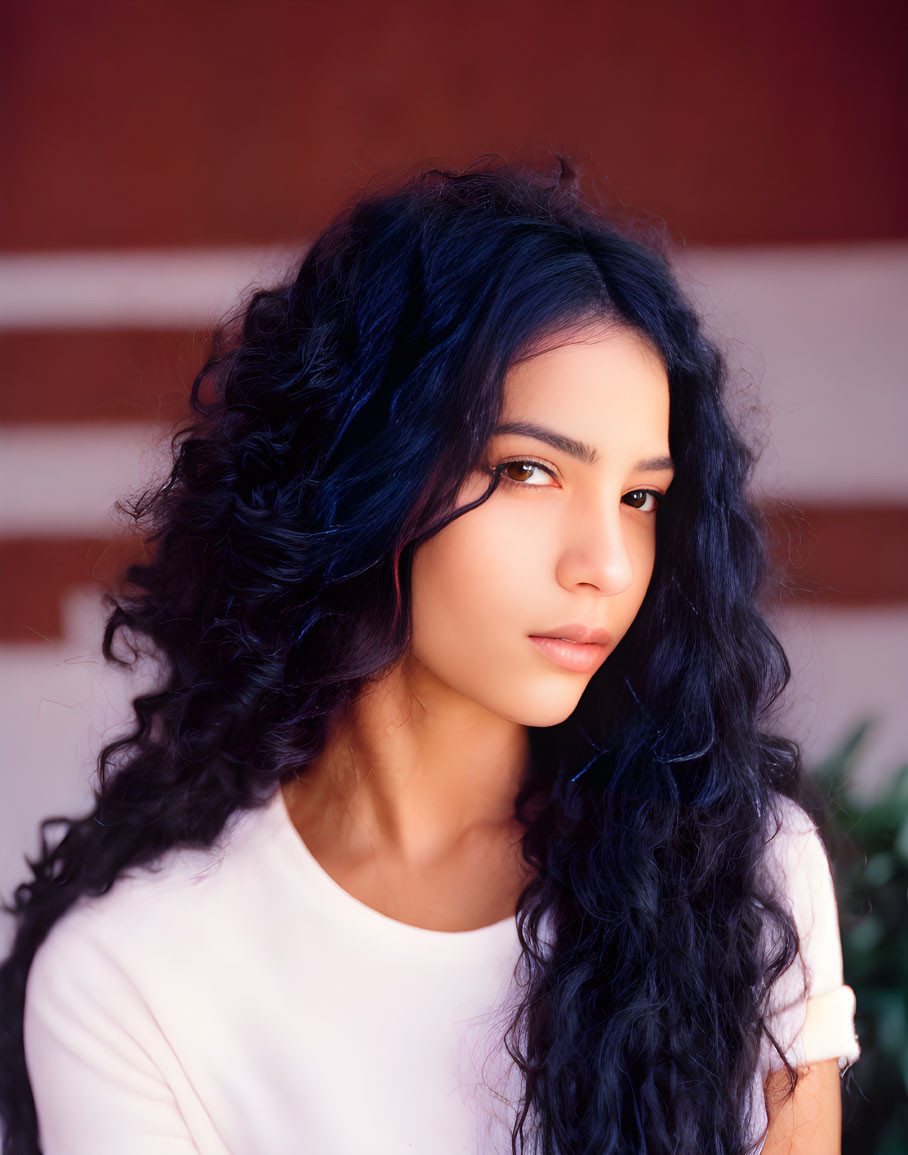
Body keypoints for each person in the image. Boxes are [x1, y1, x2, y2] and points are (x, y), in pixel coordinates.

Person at [0, 158, 859, 1155]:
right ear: (373, 470)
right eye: (529, 471)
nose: (606, 566)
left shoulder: (739, 873)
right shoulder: (133, 979)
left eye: (639, 497)